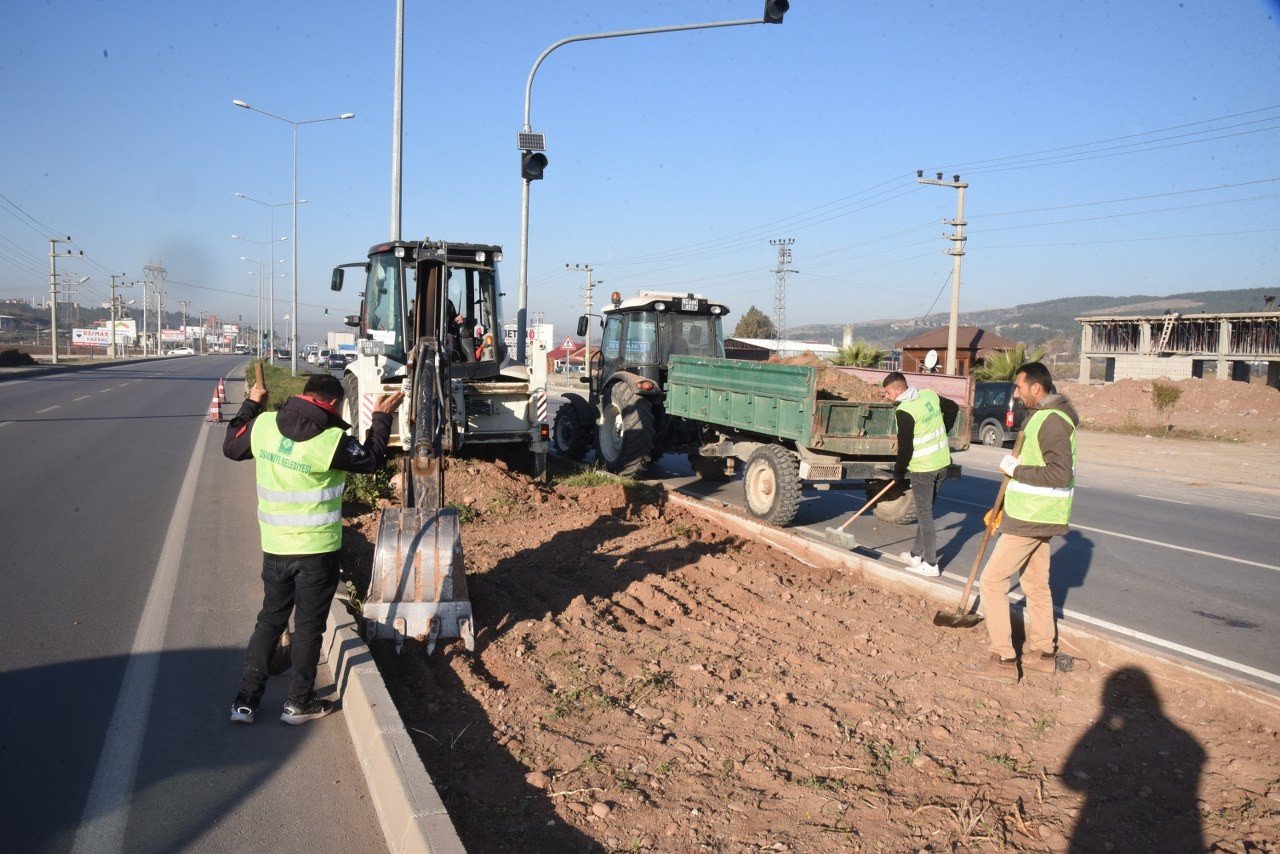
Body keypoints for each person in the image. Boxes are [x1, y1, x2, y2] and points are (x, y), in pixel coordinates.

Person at [223, 372, 404, 724]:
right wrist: (382, 417)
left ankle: (245, 702)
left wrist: (251, 403)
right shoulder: (330, 440)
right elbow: (369, 460)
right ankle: (298, 702)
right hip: (318, 551)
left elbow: (232, 446)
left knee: (270, 621)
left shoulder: (263, 426)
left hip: (275, 547)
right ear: (334, 404)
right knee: (307, 628)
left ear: (305, 395)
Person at [968, 361, 1080, 683]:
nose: (1015, 394)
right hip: (1036, 514)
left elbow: (1060, 472)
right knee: (1034, 585)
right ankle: (1044, 654)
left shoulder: (1052, 421)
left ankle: (1003, 658)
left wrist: (1015, 470)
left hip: (1032, 517)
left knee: (991, 583)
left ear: (1036, 387)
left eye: (1018, 387)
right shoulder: (1045, 417)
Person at [881, 371, 959, 577]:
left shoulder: (904, 411)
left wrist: (898, 473)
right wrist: (944, 429)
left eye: (888, 393)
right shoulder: (928, 395)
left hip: (924, 468)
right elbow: (953, 408)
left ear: (899, 390)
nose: (886, 397)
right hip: (942, 462)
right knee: (927, 510)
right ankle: (916, 555)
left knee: (925, 515)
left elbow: (905, 448)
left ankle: (931, 564)